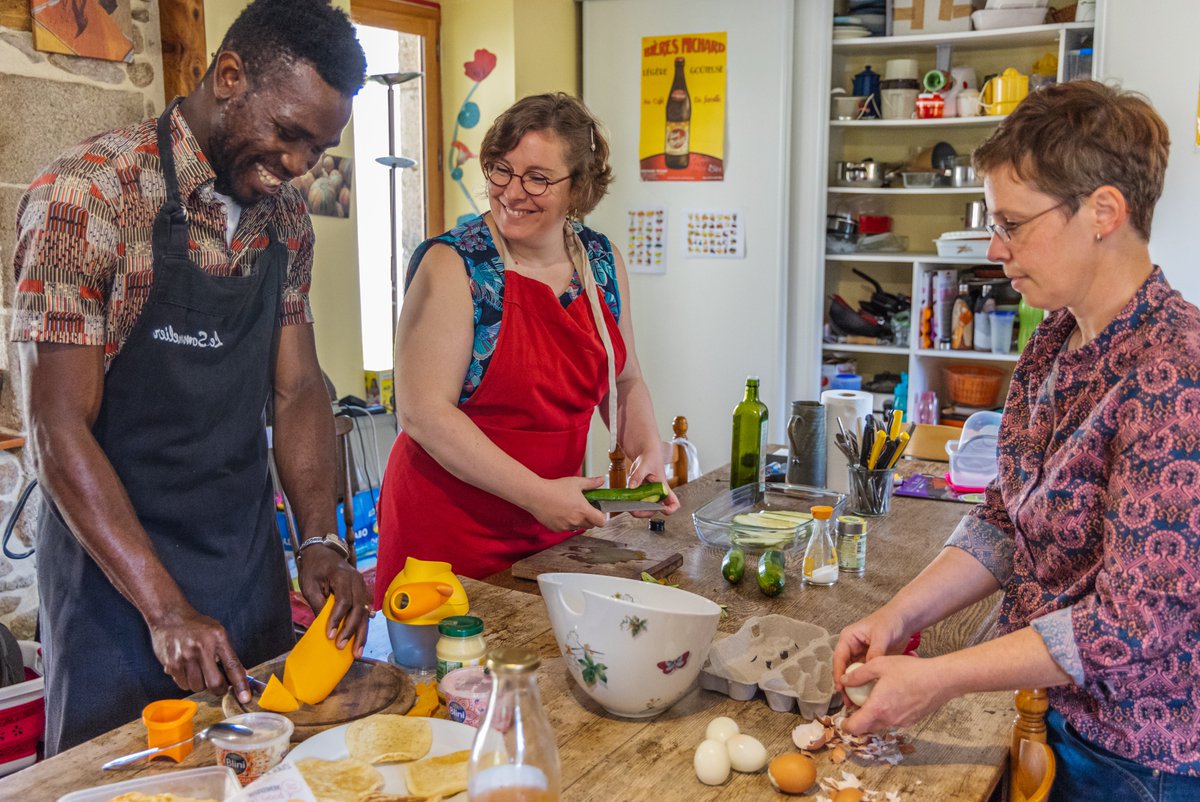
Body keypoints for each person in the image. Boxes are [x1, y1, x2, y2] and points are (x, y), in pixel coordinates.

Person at [12, 0, 372, 754]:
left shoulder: (285, 221)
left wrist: (318, 539)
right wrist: (164, 609)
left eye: (321, 148)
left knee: (269, 770)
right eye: (289, 135)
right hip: (117, 588)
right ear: (230, 76)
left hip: (244, 566)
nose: (301, 166)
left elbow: (298, 388)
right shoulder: (90, 196)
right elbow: (55, 430)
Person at [833, 81, 1200, 798]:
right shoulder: (1054, 339)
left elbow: (1127, 625)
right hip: (1034, 704)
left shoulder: (1176, 374)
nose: (996, 249)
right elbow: (1006, 519)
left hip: (1127, 756)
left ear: (1103, 212)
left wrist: (936, 679)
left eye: (1013, 223)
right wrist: (899, 613)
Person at [375, 93, 679, 594]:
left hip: (556, 526)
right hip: (448, 535)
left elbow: (624, 381)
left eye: (537, 177)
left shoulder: (601, 262)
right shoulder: (455, 265)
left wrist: (646, 450)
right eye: (501, 170)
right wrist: (537, 493)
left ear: (577, 188)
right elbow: (422, 412)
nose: (512, 192)